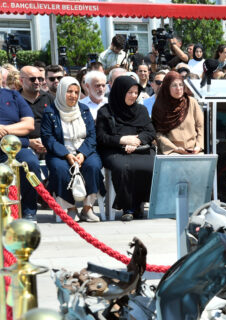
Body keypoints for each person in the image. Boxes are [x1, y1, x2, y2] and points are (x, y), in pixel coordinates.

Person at [41, 77, 104, 222]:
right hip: (60, 152)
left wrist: (82, 154)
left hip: (84, 150)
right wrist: (67, 154)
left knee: (93, 166)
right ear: (61, 91)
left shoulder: (84, 110)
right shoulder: (50, 112)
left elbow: (91, 135)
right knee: (60, 169)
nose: (73, 95)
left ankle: (87, 208)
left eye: (76, 92)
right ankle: (71, 208)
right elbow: (48, 138)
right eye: (69, 91)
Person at [96, 76, 157, 221]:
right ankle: (127, 207)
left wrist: (137, 140)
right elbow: (101, 137)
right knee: (122, 167)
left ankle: (139, 202)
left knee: (151, 166)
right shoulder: (105, 112)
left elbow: (150, 132)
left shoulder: (141, 110)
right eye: (130, 92)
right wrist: (122, 140)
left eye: (136, 92)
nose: (133, 96)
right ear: (120, 92)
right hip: (114, 150)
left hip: (139, 148)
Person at [0, 86, 43, 220]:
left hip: (14, 148)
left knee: (31, 163)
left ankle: (28, 211)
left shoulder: (13, 95)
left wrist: (4, 129)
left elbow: (29, 124)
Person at [151, 71, 204, 155]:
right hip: (171, 152)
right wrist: (174, 149)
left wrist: (199, 146)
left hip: (193, 150)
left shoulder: (191, 102)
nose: (178, 88)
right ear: (167, 87)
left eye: (181, 84)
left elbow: (201, 126)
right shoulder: (160, 106)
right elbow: (158, 133)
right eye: (174, 85)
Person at [18, 66, 53, 158]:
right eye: (32, 79)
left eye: (40, 79)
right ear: (21, 80)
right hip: (23, 147)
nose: (37, 82)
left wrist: (48, 141)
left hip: (48, 144)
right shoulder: (13, 100)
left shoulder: (49, 99)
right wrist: (28, 142)